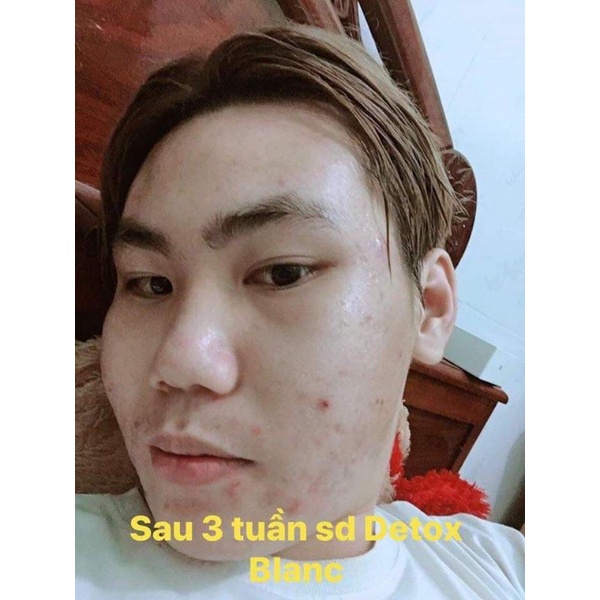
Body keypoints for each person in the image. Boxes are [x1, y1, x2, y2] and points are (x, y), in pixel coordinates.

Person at [76, 24, 524, 599]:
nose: (181, 361)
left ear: (430, 308)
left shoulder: (503, 565)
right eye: (150, 283)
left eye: (284, 273)